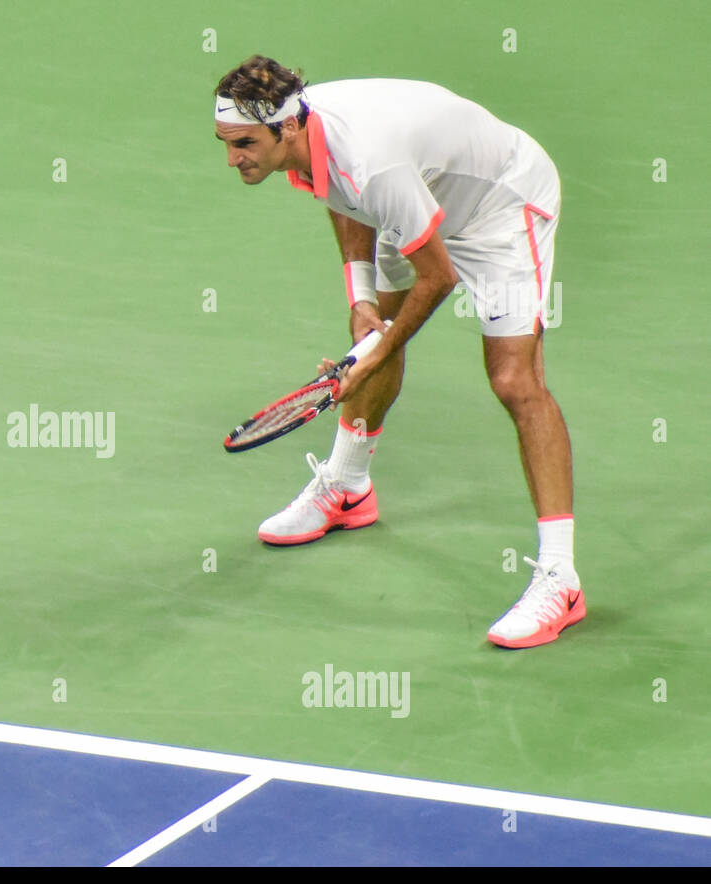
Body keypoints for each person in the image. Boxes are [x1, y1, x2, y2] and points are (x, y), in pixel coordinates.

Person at [213, 55, 584, 648]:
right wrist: (362, 302)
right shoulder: (309, 130)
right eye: (225, 143)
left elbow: (435, 278)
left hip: (502, 207)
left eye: (243, 144)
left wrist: (378, 351)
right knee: (374, 326)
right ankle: (348, 488)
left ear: (284, 127)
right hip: (424, 195)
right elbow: (338, 193)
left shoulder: (372, 164)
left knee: (514, 380)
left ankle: (561, 579)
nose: (232, 158)